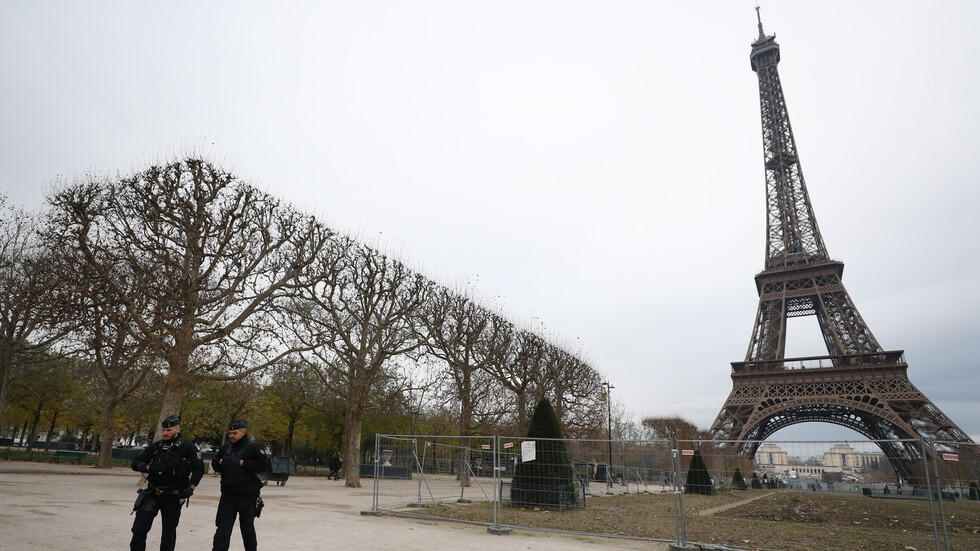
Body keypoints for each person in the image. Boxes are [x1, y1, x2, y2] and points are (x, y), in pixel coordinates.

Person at [130, 414, 205, 551]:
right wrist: (141, 466)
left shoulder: (188, 447)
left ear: (177, 429)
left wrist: (191, 487)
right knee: (138, 529)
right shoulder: (157, 446)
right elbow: (135, 461)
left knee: (168, 533)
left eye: (168, 430)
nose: (165, 433)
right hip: (152, 493)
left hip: (173, 495)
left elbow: (199, 469)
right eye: (163, 430)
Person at [212, 420, 270, 551]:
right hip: (228, 495)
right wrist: (221, 462)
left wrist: (244, 463)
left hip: (247, 496)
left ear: (243, 432)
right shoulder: (225, 448)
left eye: (235, 433)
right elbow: (215, 464)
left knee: (247, 529)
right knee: (222, 529)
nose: (231, 435)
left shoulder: (254, 447)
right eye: (230, 433)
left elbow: (264, 466)